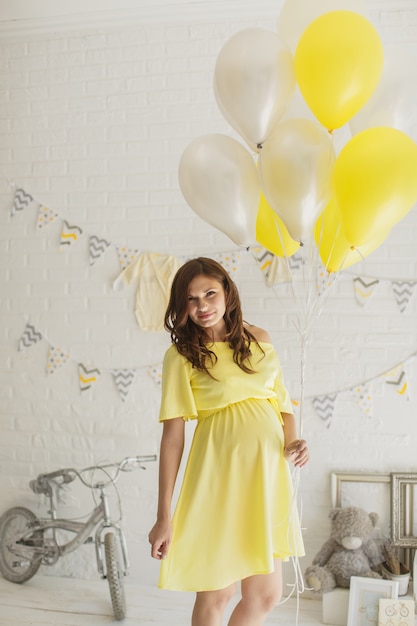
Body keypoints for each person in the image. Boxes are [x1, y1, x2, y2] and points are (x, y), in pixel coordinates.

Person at [148, 257, 309, 626]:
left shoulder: (260, 340)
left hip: (266, 477)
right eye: (191, 299)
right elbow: (172, 439)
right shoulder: (181, 357)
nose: (202, 306)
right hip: (218, 476)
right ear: (181, 305)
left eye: (209, 294)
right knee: (217, 590)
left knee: (266, 594)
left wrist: (294, 442)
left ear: (228, 294)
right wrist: (164, 515)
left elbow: (282, 406)